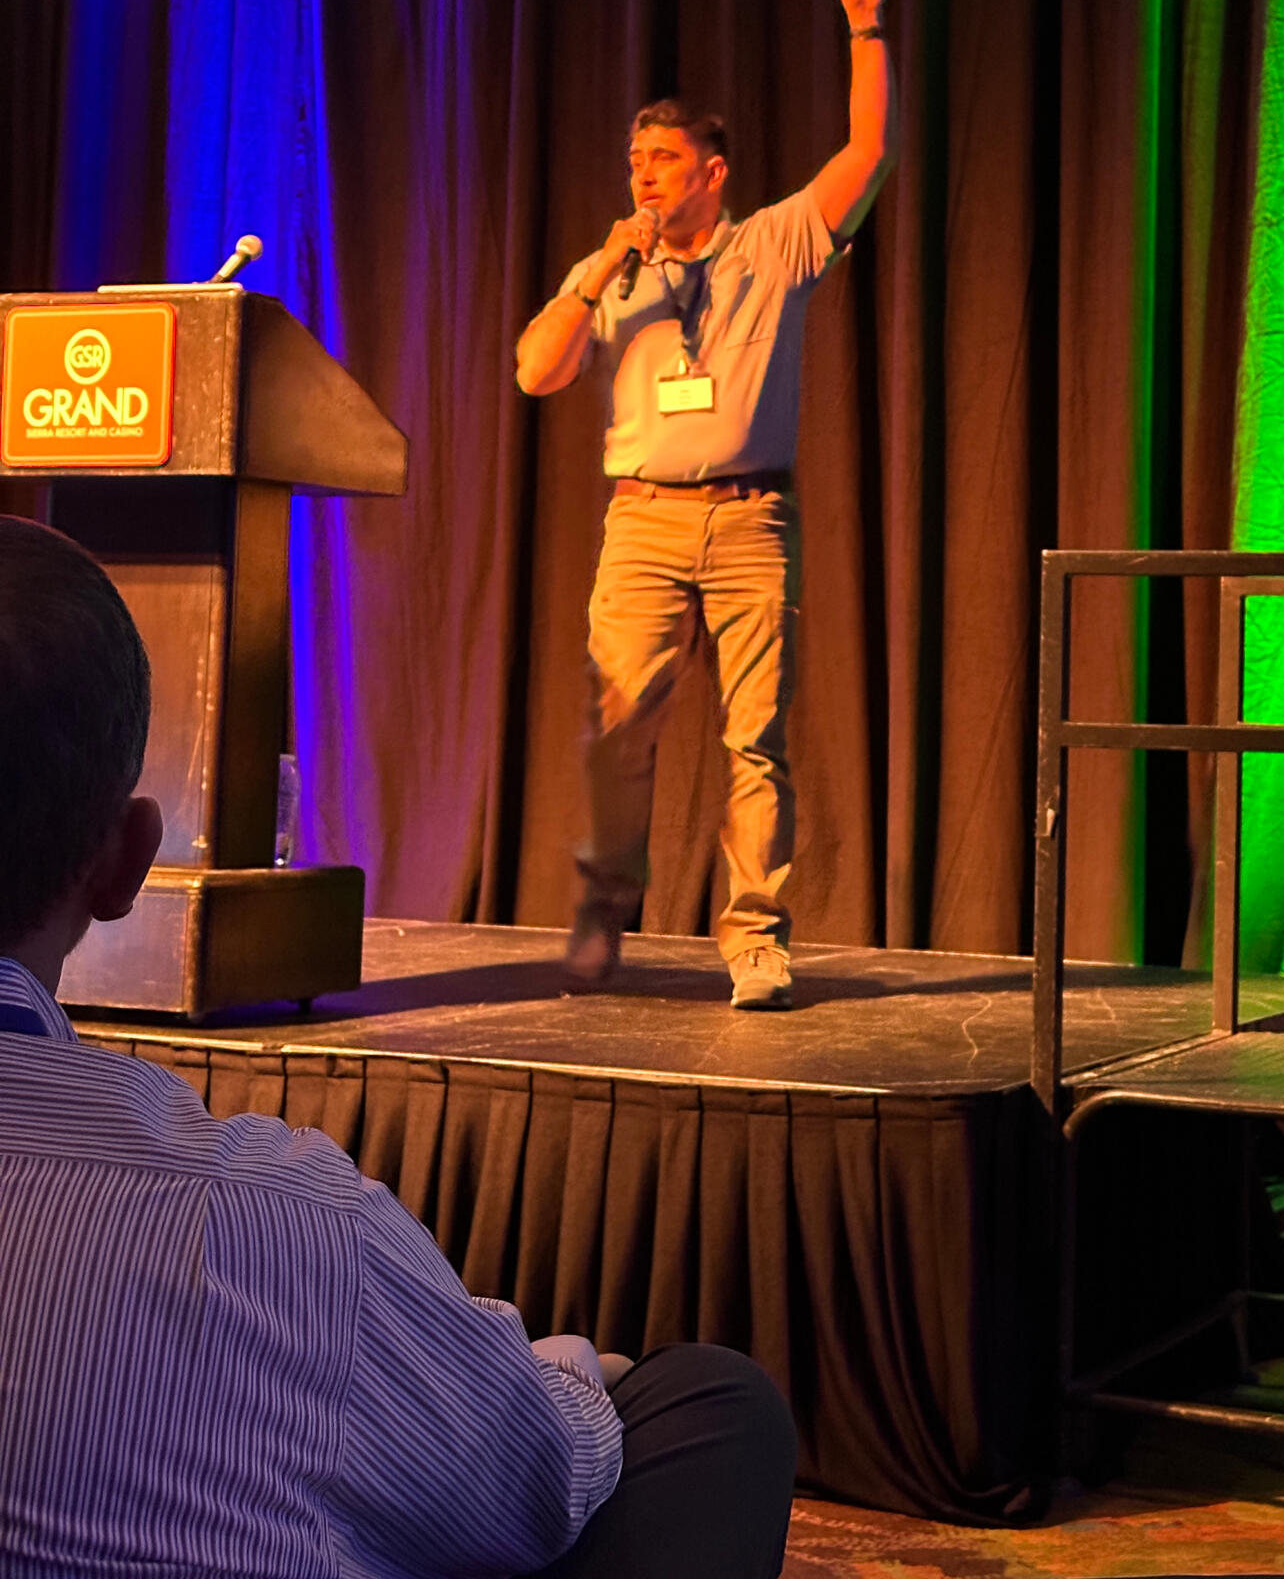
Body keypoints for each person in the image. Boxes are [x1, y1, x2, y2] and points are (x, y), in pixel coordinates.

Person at [0, 514, 795, 1579]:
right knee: (714, 1403)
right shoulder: (286, 1228)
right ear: (128, 860)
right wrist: (569, 1369)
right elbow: (537, 1479)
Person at [516, 0, 897, 1011]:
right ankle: (603, 918)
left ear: (713, 172)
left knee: (755, 738)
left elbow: (867, 155)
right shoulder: (615, 271)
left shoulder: (773, 243)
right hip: (640, 519)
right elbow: (535, 371)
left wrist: (865, 30)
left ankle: (756, 939)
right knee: (617, 734)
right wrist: (601, 266)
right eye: (635, 160)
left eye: (665, 161)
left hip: (747, 519)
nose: (644, 177)